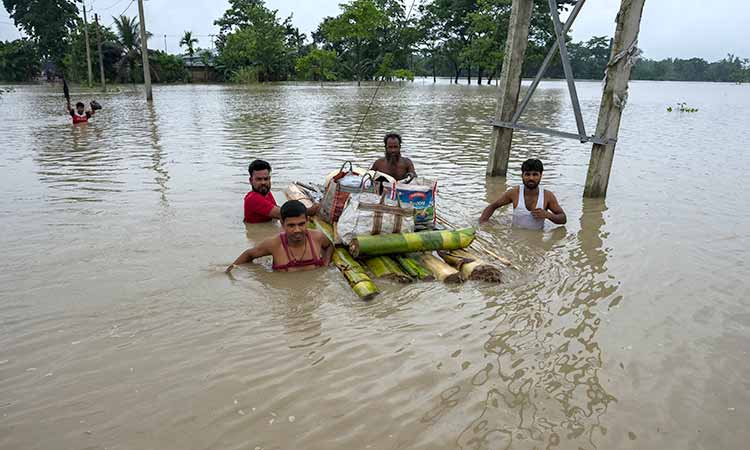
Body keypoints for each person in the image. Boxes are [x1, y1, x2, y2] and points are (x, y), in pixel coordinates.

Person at [227, 200, 333, 273]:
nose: (297, 230)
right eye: (291, 225)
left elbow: (330, 245)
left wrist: (326, 262)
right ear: (282, 224)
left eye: (301, 224)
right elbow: (249, 254)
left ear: (307, 221)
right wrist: (230, 270)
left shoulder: (318, 238)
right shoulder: (274, 244)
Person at [479, 158, 566, 229]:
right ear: (522, 175)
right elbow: (493, 206)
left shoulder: (548, 196)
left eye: (535, 174)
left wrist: (548, 215)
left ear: (541, 175)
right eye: (527, 174)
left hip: (537, 238)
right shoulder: (514, 193)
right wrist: (481, 225)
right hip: (514, 238)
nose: (531, 178)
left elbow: (563, 218)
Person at [244, 159, 319, 223]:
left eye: (266, 179)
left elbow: (278, 211)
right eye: (259, 179)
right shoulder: (253, 198)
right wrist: (310, 211)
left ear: (270, 179)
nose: (263, 182)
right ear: (251, 181)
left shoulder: (266, 192)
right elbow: (282, 213)